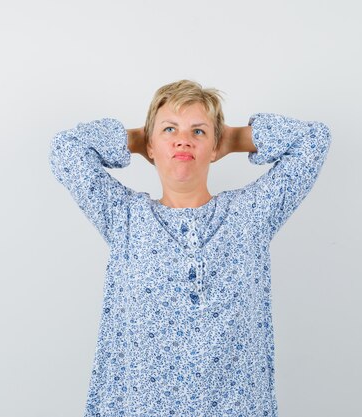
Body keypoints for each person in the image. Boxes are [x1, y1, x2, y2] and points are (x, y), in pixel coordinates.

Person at [48, 79, 331, 416]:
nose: (183, 139)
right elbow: (66, 150)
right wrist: (141, 139)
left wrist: (235, 138)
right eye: (170, 129)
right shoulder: (124, 217)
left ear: (216, 145)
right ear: (151, 146)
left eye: (199, 132)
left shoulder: (251, 215)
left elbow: (314, 140)